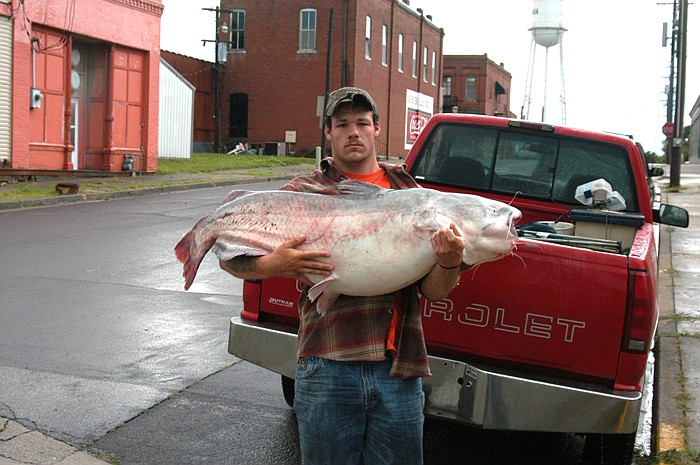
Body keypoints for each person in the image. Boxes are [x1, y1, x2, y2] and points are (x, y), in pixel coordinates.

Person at [220, 87, 464, 465]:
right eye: (342, 124)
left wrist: (449, 262)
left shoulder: (408, 194)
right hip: (327, 364)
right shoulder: (304, 193)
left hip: (399, 369)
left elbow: (433, 292)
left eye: (362, 123)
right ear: (329, 133)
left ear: (377, 130)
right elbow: (230, 259)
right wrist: (275, 266)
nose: (354, 132)